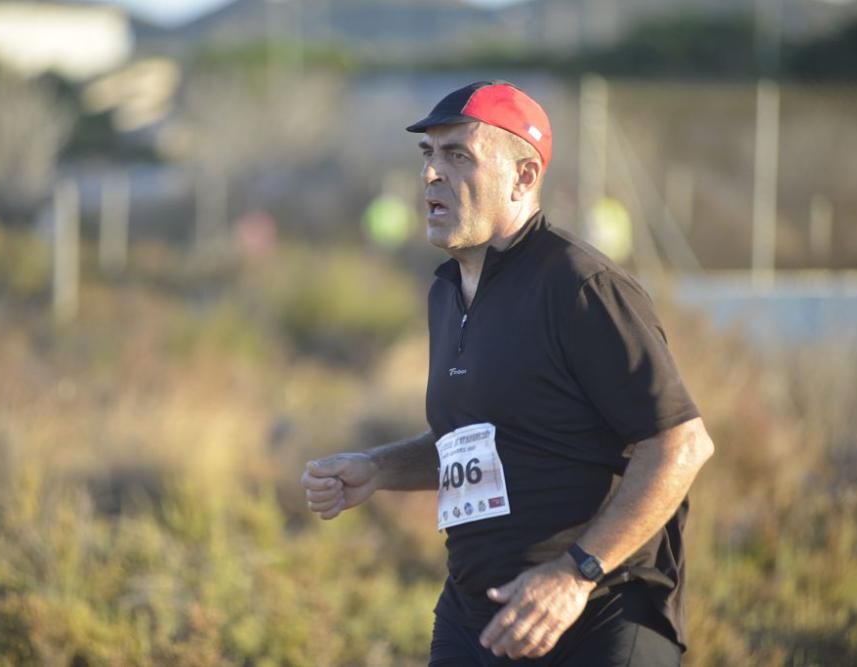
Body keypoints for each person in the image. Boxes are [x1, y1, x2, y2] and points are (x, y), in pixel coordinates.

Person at [301, 81, 714, 666]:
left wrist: (575, 574)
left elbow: (680, 443)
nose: (431, 176)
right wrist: (377, 469)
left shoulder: (579, 285)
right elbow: (481, 439)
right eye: (429, 155)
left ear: (523, 177)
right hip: (477, 615)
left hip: (597, 614)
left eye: (458, 156)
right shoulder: (447, 294)